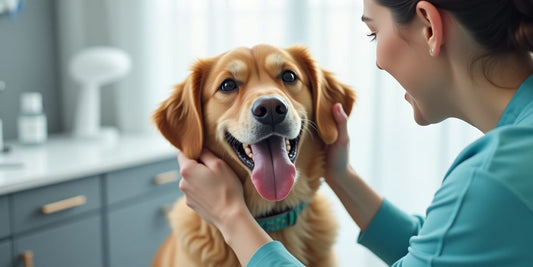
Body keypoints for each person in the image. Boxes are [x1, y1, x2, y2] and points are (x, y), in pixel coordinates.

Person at [177, 0, 533, 266]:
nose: (377, 60)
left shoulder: (493, 174)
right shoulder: (514, 150)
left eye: (373, 33)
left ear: (428, 27)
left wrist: (230, 216)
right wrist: (340, 176)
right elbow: (449, 250)